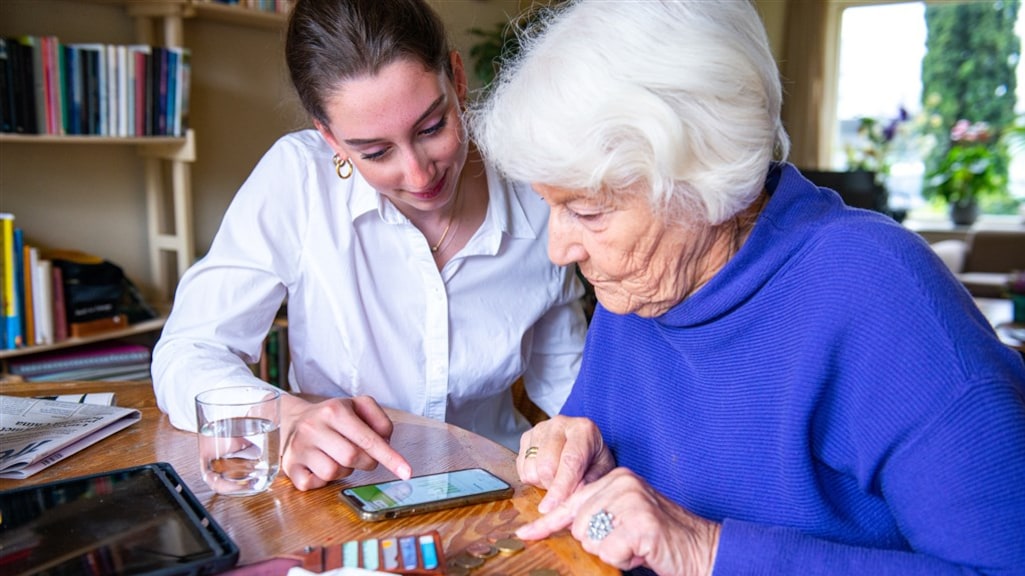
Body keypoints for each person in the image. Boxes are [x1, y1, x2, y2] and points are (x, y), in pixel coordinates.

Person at [469, 2, 1025, 575]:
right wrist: (580, 460)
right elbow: (615, 481)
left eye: (586, 211)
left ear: (702, 175)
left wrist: (705, 550)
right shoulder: (639, 287)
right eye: (551, 207)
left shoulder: (877, 293)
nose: (560, 249)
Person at [151, 0, 587, 491]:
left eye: (431, 128)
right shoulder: (298, 180)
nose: (419, 174)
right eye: (376, 152)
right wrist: (289, 418)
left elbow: (575, 393)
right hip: (339, 498)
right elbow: (187, 353)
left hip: (497, 491)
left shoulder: (536, 197)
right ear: (331, 138)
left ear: (457, 80)